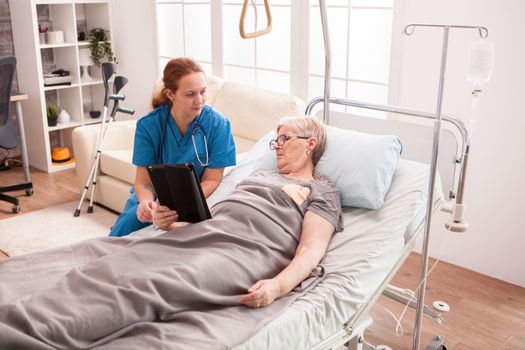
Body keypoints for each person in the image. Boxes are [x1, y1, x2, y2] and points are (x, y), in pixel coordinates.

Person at [0, 116, 343, 349]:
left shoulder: (322, 191)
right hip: (204, 236)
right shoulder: (258, 177)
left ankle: (24, 330)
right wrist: (175, 223)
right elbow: (215, 216)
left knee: (145, 284)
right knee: (107, 259)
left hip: (245, 253)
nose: (277, 145)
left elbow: (310, 251)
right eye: (275, 141)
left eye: (284, 139)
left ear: (310, 143)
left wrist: (277, 286)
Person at [109, 57, 236, 237]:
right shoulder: (149, 125)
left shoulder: (218, 125)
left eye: (203, 91)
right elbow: (144, 180)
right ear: (170, 94)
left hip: (193, 196)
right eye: (190, 94)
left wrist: (179, 203)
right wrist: (147, 205)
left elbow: (212, 179)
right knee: (131, 221)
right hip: (153, 194)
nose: (199, 100)